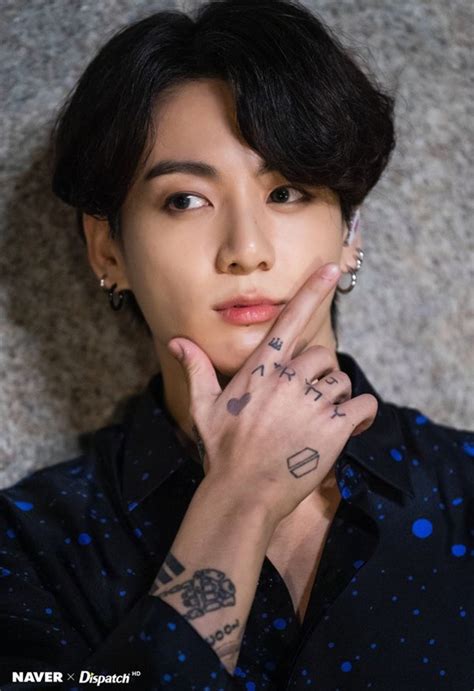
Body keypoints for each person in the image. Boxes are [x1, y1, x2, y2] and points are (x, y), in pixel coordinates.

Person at [0, 0, 472, 689]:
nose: (246, 249)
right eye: (185, 200)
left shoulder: (463, 487)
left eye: (287, 191)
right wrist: (239, 500)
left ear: (350, 233)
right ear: (107, 250)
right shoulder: (28, 547)